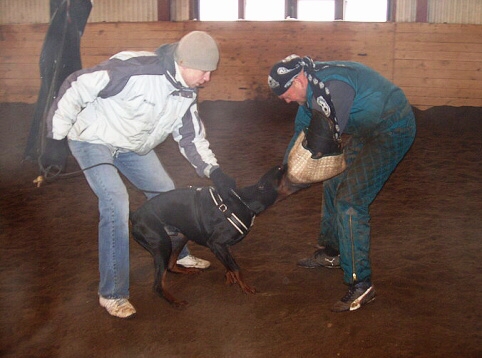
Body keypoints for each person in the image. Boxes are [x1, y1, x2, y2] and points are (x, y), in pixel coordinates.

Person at [44, 31, 236, 318]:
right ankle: (113, 293)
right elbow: (77, 84)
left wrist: (213, 169)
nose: (207, 79)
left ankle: (178, 256)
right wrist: (55, 137)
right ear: (183, 61)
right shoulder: (135, 69)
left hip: (132, 145)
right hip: (93, 139)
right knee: (116, 202)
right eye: (204, 71)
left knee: (166, 193)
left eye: (211, 72)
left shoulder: (186, 91)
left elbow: (190, 137)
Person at [268, 55, 416, 312]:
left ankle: (361, 284)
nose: (286, 100)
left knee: (351, 200)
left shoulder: (333, 89)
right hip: (367, 130)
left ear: (299, 79)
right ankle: (332, 252)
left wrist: (294, 183)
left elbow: (320, 147)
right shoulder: (312, 89)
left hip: (393, 129)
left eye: (286, 94)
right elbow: (301, 132)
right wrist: (284, 172)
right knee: (333, 182)